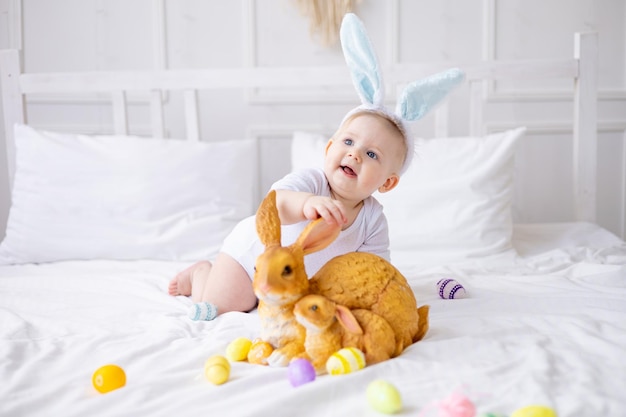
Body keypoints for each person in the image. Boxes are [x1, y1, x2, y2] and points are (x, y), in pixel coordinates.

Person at [168, 108, 410, 320]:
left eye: (371, 154)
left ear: (387, 183)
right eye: (348, 142)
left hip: (290, 280)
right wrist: (306, 203)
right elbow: (274, 206)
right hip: (251, 258)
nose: (354, 154)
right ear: (329, 149)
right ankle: (200, 274)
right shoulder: (313, 183)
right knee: (222, 306)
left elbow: (374, 269)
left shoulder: (373, 219)